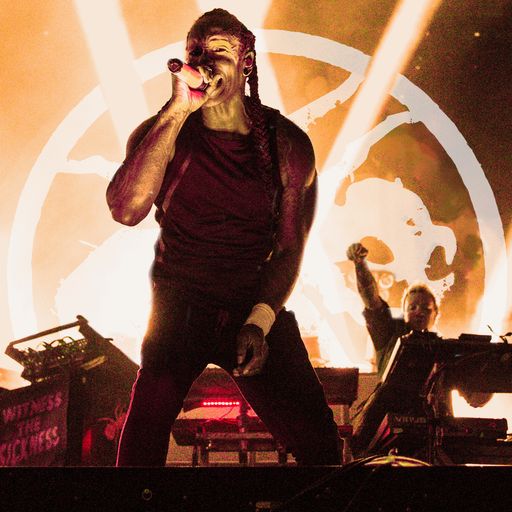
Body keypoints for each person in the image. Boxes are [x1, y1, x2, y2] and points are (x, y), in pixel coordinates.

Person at [106, 8, 341, 466]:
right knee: (141, 442)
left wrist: (259, 320)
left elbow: (289, 248)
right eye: (195, 50)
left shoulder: (287, 144)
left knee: (320, 447)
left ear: (246, 63)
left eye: (218, 50)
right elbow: (126, 210)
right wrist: (177, 110)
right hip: (179, 304)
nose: (204, 60)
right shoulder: (162, 133)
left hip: (250, 304)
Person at [346, 242, 444, 457]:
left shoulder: (442, 347)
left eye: (426, 308)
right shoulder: (389, 332)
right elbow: (371, 299)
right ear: (404, 311)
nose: (419, 312)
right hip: (382, 420)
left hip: (430, 428)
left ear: (436, 314)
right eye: (412, 307)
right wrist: (360, 264)